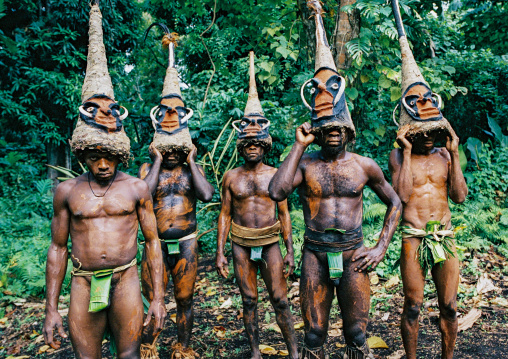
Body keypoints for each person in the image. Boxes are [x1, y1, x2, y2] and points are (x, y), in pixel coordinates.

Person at [269, 2, 402, 358]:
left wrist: (380, 248)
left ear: (348, 130)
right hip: (315, 252)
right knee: (314, 333)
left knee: (357, 331)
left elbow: (395, 202)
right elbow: (276, 191)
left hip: (354, 251)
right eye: (324, 130)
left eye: (337, 130)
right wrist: (298, 146)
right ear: (315, 130)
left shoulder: (364, 165)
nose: (332, 135)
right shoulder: (306, 164)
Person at [43, 5, 165, 358]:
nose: (102, 164)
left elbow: (152, 241)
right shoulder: (67, 192)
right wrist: (51, 308)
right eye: (95, 157)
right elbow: (58, 248)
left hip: (126, 278)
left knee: (129, 355)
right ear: (82, 156)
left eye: (109, 156)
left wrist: (157, 297)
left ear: (120, 154)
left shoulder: (136, 188)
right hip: (83, 282)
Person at [389, 2, 468, 358]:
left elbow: (460, 197)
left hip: (445, 234)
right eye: (425, 134)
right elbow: (402, 196)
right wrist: (406, 152)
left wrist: (453, 150)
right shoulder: (399, 155)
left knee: (449, 307)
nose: (430, 138)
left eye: (435, 132)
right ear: (410, 132)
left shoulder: (443, 154)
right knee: (414, 306)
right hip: (414, 235)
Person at [216, 52, 299, 359]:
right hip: (240, 243)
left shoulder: (276, 176)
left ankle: (293, 351)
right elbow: (225, 215)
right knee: (248, 299)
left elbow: (284, 213)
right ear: (242, 145)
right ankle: (254, 352)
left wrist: (290, 249)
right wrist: (220, 252)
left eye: (257, 143)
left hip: (269, 243)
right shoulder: (231, 177)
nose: (252, 148)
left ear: (264, 144)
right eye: (247, 144)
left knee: (279, 298)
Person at [138, 27, 215, 359]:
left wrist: (193, 160)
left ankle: (184, 346)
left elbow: (208, 195)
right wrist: (157, 158)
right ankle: (148, 344)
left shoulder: (189, 169)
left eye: (175, 148)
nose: (171, 153)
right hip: (154, 243)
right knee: (150, 294)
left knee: (185, 298)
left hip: (185, 242)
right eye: (165, 148)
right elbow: (143, 194)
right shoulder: (146, 170)